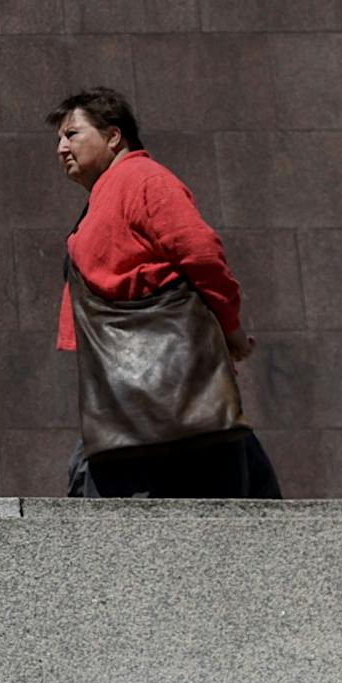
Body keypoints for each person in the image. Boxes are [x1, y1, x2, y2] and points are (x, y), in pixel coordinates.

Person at [48, 86, 281, 499]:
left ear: (114, 136)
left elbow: (202, 254)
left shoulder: (143, 180)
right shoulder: (106, 194)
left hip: (169, 386)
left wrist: (230, 328)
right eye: (60, 138)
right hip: (132, 391)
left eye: (73, 134)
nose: (61, 147)